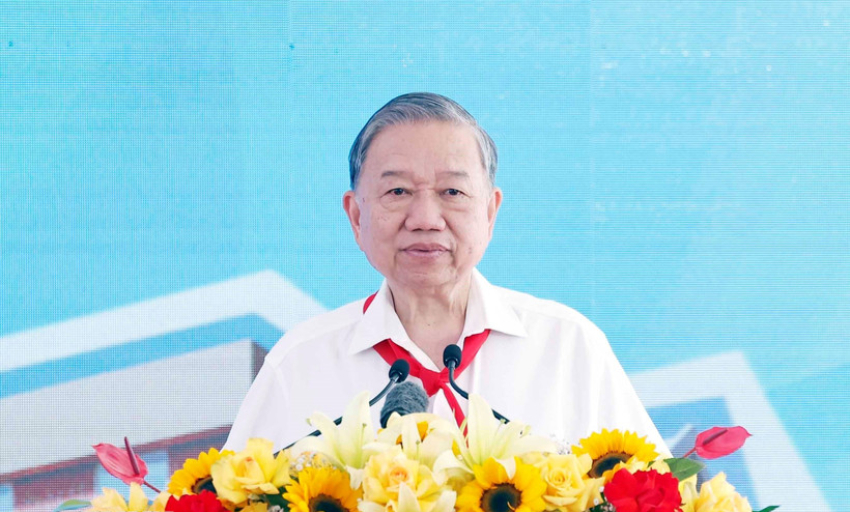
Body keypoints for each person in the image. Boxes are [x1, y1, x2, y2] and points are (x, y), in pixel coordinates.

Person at [224, 92, 666, 453]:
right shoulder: (300, 364)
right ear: (356, 216)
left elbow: (654, 495)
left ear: (489, 212)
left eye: (452, 191)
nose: (425, 218)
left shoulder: (568, 348)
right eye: (398, 191)